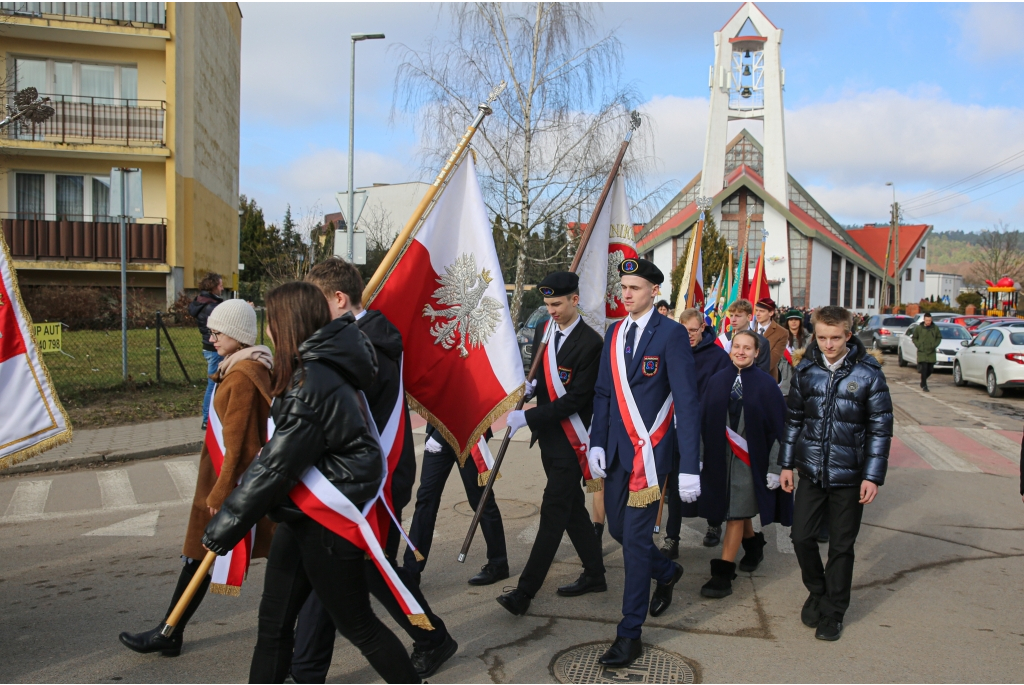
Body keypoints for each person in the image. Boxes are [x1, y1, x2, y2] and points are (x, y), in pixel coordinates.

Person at [203, 282, 419, 683]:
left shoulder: (312, 382)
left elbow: (275, 466)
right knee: (273, 625)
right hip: (301, 514)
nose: (267, 330)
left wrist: (226, 524)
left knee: (360, 627)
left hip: (326, 522)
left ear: (289, 323)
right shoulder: (311, 368)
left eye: (271, 321)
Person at [289, 258, 457, 682]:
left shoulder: (366, 347)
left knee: (359, 571)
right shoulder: (360, 338)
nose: (310, 312)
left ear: (340, 299)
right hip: (361, 479)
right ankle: (307, 665)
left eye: (317, 302)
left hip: (374, 483)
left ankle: (432, 636)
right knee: (354, 571)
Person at [120, 299, 273, 657]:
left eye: (218, 332)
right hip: (219, 478)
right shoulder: (237, 368)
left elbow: (239, 444)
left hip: (225, 483)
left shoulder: (243, 375)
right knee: (198, 557)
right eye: (211, 331)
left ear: (237, 335)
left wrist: (220, 494)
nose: (212, 338)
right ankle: (170, 630)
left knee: (203, 554)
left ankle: (169, 631)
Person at [588, 258, 699, 668]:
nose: (627, 294)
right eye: (623, 287)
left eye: (635, 287)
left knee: (634, 542)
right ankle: (666, 573)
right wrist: (596, 442)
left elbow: (687, 400)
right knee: (618, 530)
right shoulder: (615, 333)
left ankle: (628, 633)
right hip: (616, 452)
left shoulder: (671, 334)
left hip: (649, 458)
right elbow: (603, 393)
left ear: (654, 290)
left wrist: (690, 464)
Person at [780, 305, 893, 642]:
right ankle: (818, 590)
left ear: (848, 335)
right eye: (823, 338)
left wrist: (872, 476)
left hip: (850, 476)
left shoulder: (869, 374)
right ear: (815, 334)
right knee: (801, 537)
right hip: (811, 472)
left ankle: (833, 612)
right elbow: (793, 422)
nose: (829, 345)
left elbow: (880, 429)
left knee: (842, 547)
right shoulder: (806, 371)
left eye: (836, 338)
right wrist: (786, 465)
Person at [496, 272, 606, 616]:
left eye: (557, 303)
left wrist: (528, 417)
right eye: (547, 304)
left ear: (575, 299)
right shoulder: (546, 330)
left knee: (553, 513)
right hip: (550, 440)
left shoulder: (591, 344)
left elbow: (574, 399)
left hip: (574, 442)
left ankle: (524, 592)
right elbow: (542, 374)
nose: (551, 310)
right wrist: (531, 389)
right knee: (572, 508)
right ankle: (595, 573)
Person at [697, 330, 792, 599]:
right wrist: (700, 456)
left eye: (747, 348)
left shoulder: (766, 385)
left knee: (736, 514)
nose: (741, 351)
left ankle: (722, 575)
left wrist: (776, 467)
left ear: (757, 352)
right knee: (733, 510)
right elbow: (702, 423)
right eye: (736, 346)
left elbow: (778, 431)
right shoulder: (716, 381)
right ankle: (753, 545)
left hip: (750, 463)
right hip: (719, 461)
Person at [661, 308, 732, 558]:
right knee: (676, 484)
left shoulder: (718, 357)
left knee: (711, 480)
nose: (689, 335)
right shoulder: (673, 351)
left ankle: (714, 523)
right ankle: (672, 537)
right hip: (677, 429)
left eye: (693, 330)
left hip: (707, 426)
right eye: (684, 330)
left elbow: (721, 393)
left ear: (703, 327)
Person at [189, 272, 224, 430]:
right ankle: (207, 419)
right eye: (220, 285)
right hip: (215, 348)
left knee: (216, 383)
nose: (222, 288)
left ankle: (212, 417)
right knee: (213, 384)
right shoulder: (211, 307)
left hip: (209, 348)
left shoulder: (202, 302)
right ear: (213, 286)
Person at [718, 299, 771, 375]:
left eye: (738, 316)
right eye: (731, 315)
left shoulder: (762, 342)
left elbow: (763, 372)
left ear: (749, 317)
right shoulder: (722, 339)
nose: (733, 320)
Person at [753, 297, 788, 382]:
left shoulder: (782, 332)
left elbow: (772, 359)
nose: (757, 314)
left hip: (767, 378)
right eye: (756, 310)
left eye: (762, 311)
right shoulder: (749, 327)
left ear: (771, 313)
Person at [779, 309, 809, 395]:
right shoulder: (781, 338)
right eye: (791, 320)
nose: (793, 322)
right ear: (787, 322)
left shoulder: (807, 338)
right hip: (785, 374)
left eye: (796, 320)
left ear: (800, 321)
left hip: (802, 371)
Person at [910, 312, 941, 392]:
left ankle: (922, 381)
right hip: (922, 351)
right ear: (924, 320)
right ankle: (925, 386)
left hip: (931, 351)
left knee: (930, 369)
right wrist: (919, 345)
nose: (928, 322)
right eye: (927, 320)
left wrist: (934, 345)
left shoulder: (935, 328)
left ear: (931, 320)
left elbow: (939, 337)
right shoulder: (919, 328)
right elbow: (914, 338)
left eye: (929, 320)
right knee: (924, 368)